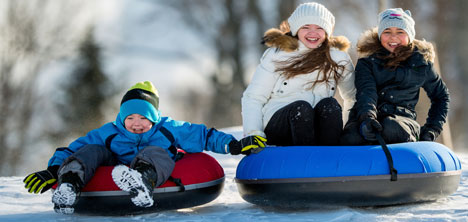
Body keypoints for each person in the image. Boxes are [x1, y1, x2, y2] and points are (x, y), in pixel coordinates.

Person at [23, 81, 266, 214]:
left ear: (154, 118)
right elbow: (72, 149)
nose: (137, 124)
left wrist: (235, 145)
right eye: (131, 118)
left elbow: (203, 136)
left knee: (155, 151)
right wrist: (53, 171)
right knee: (90, 150)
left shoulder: (167, 128)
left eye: (144, 118)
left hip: (151, 167)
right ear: (122, 117)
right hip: (115, 169)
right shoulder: (109, 132)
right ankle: (69, 186)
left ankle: (141, 183)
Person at [242, 2, 355, 146]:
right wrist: (253, 133)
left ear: (327, 32)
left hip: (316, 125)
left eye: (319, 28)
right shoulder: (278, 55)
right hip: (280, 124)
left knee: (330, 105)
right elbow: (253, 97)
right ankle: (303, 161)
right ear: (296, 30)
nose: (312, 33)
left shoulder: (338, 58)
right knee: (301, 108)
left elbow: (353, 97)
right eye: (306, 27)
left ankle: (330, 158)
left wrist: (350, 130)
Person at [340, 8, 450, 145]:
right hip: (366, 117)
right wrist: (367, 117)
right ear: (380, 35)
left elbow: (441, 96)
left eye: (400, 32)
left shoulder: (421, 63)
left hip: (403, 121)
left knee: (390, 128)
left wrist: (432, 129)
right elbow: (366, 91)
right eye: (387, 32)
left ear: (409, 36)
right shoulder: (368, 61)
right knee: (351, 138)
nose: (393, 37)